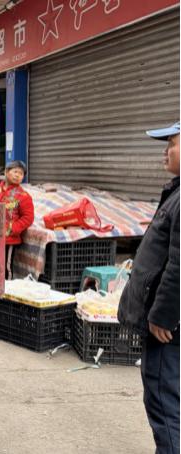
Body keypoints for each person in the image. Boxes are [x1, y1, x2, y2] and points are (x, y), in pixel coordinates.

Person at [118, 122, 179, 454]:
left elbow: (179, 265)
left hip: (168, 329)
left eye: (171, 144)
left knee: (164, 403)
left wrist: (163, 316)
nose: (165, 152)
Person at [0, 160, 34, 279]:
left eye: (21, 173)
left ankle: (5, 289)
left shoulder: (23, 196)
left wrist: (12, 229)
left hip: (9, 239)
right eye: (15, 172)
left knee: (5, 268)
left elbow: (28, 218)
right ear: (6, 172)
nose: (18, 175)